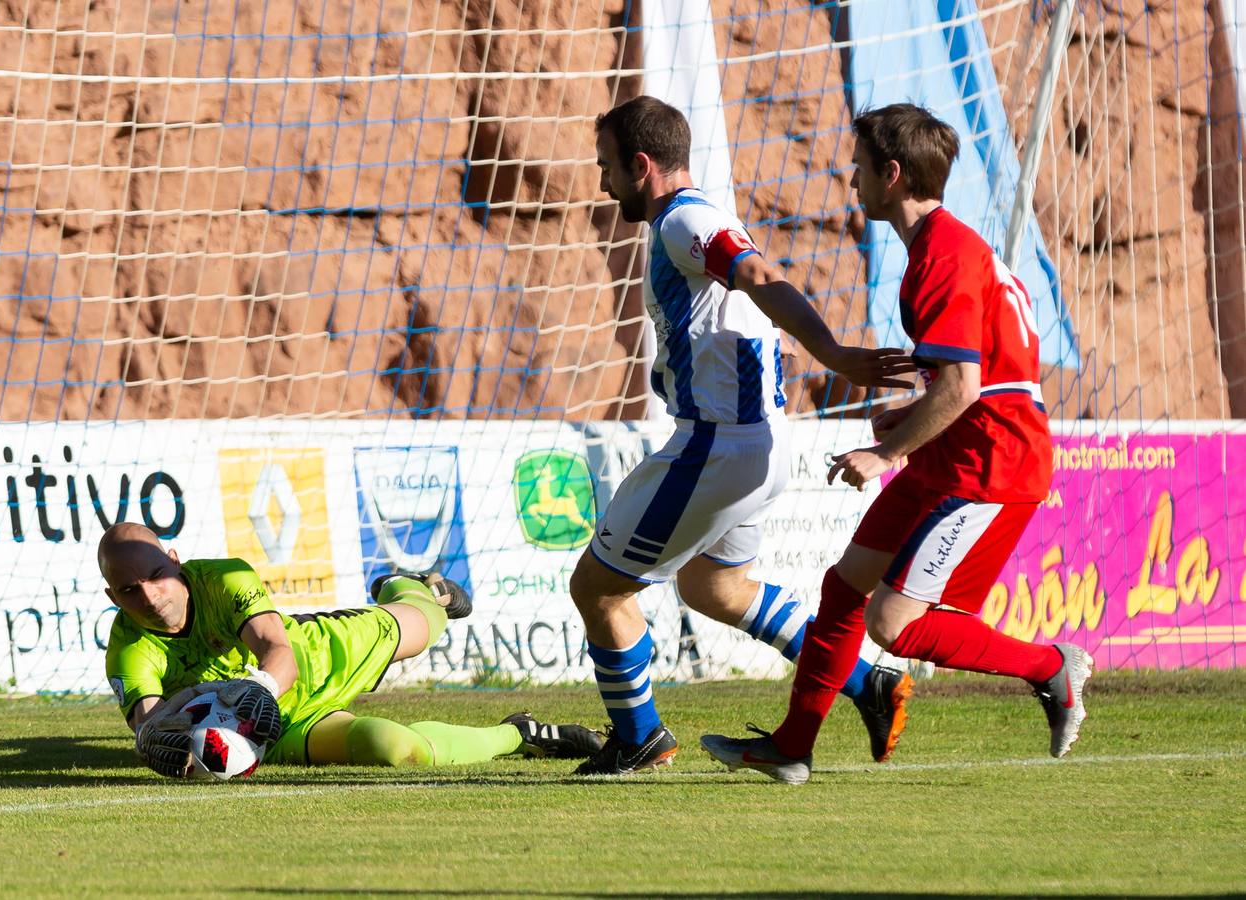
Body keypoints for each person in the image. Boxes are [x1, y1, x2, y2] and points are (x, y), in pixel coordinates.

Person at [701, 103, 1091, 784]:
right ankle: (791, 747)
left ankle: (1052, 666)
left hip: (989, 466)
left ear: (892, 172)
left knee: (896, 624)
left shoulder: (940, 256)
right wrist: (911, 418)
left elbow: (965, 383)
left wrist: (889, 452)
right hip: (959, 449)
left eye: (859, 168)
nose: (852, 182)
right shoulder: (946, 247)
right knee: (844, 586)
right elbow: (987, 376)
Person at [571, 95, 920, 775]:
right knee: (715, 589)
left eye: (607, 167)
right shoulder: (695, 219)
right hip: (761, 443)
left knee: (598, 589)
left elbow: (760, 275)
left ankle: (638, 735)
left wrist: (833, 354)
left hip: (717, 449)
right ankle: (867, 683)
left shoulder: (685, 220)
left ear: (641, 165)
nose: (603, 182)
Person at [97, 522, 603, 776]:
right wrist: (158, 739)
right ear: (110, 597)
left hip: (317, 658)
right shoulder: (126, 648)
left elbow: (277, 649)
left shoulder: (223, 577)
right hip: (277, 731)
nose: (149, 595)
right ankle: (518, 735)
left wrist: (256, 691)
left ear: (175, 559)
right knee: (394, 750)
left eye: (157, 575)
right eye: (128, 590)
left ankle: (406, 587)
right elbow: (147, 720)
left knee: (428, 625)